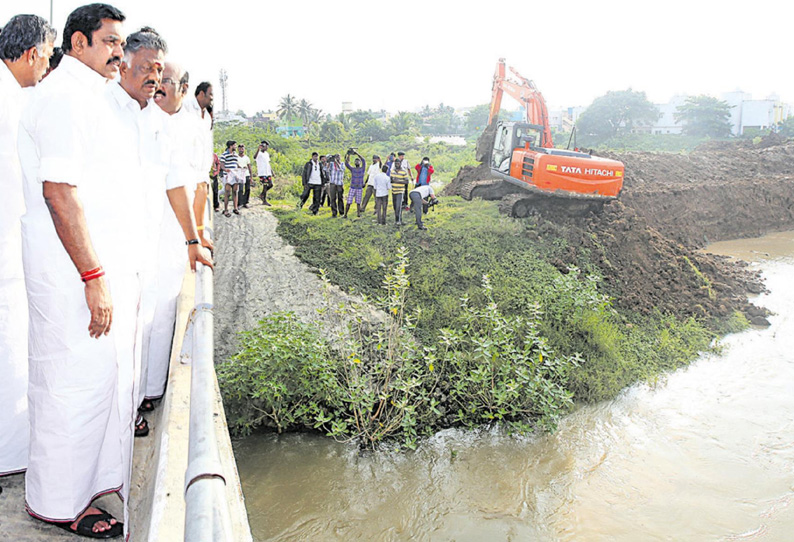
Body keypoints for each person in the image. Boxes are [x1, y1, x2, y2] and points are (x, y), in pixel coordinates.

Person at [16, 4, 131, 537]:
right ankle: (59, 503)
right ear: (78, 42)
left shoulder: (89, 96)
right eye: (110, 41)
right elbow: (60, 194)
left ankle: (87, 485)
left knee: (94, 380)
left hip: (85, 268)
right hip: (71, 274)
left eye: (121, 43)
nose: (119, 52)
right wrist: (93, 277)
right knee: (69, 385)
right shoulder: (62, 97)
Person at [0, 13, 55, 486]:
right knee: (9, 350)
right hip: (5, 249)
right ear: (35, 52)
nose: (46, 67)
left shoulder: (13, 96)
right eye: (47, 55)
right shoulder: (11, 101)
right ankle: (10, 457)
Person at [144, 59, 212, 408]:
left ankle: (150, 390)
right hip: (144, 230)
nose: (158, 86)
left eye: (166, 80)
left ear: (184, 90)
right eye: (156, 79)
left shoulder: (188, 128)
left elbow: (197, 186)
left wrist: (195, 236)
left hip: (173, 231)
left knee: (160, 312)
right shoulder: (144, 118)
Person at [182, 80, 214, 249]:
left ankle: (200, 236)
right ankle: (190, 240)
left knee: (200, 206)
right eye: (210, 95)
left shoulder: (207, 116)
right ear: (201, 94)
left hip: (202, 169)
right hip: (188, 167)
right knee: (187, 206)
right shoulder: (186, 107)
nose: (211, 99)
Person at [220, 140, 241, 216]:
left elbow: (236, 163)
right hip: (228, 175)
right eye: (235, 145)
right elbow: (222, 164)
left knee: (235, 191)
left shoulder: (235, 155)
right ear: (230, 146)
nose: (236, 147)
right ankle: (226, 209)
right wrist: (225, 169)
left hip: (235, 174)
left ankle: (235, 208)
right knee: (227, 192)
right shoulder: (224, 155)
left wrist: (240, 169)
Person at [343, 150, 366, 218]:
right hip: (352, 187)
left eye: (358, 161)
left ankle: (358, 214)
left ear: (359, 162)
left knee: (358, 202)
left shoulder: (362, 169)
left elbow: (363, 160)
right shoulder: (353, 169)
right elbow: (347, 164)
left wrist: (357, 153)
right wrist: (349, 155)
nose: (357, 162)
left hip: (359, 188)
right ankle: (345, 214)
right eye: (355, 161)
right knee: (349, 202)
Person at [390, 159, 410, 225]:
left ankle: (397, 221)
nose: (397, 164)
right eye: (396, 163)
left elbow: (407, 181)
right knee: (395, 207)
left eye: (398, 163)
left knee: (399, 206)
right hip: (393, 191)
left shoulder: (404, 172)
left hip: (400, 191)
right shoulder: (392, 171)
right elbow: (391, 180)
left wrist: (397, 181)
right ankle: (399, 219)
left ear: (400, 163)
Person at [254, 140, 273, 206]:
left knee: (270, 185)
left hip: (268, 172)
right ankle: (264, 200)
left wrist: (272, 171)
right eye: (265, 146)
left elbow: (268, 163)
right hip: (262, 172)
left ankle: (262, 194)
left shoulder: (267, 154)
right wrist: (258, 149)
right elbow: (254, 157)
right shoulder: (259, 153)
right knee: (265, 185)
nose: (266, 148)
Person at [326, 153, 345, 217]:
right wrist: (328, 161)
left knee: (340, 198)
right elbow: (326, 169)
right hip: (332, 183)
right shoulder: (331, 164)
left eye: (338, 157)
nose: (337, 158)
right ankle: (334, 213)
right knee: (332, 198)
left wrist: (336, 162)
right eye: (336, 157)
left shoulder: (342, 164)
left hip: (339, 183)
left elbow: (341, 169)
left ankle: (341, 212)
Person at [237, 143, 252, 207]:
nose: (241, 149)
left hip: (246, 174)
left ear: (244, 149)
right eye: (240, 148)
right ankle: (239, 203)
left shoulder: (247, 158)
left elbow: (249, 167)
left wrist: (251, 176)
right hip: (239, 175)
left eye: (242, 148)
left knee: (247, 189)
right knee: (240, 189)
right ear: (238, 149)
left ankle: (245, 202)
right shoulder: (236, 157)